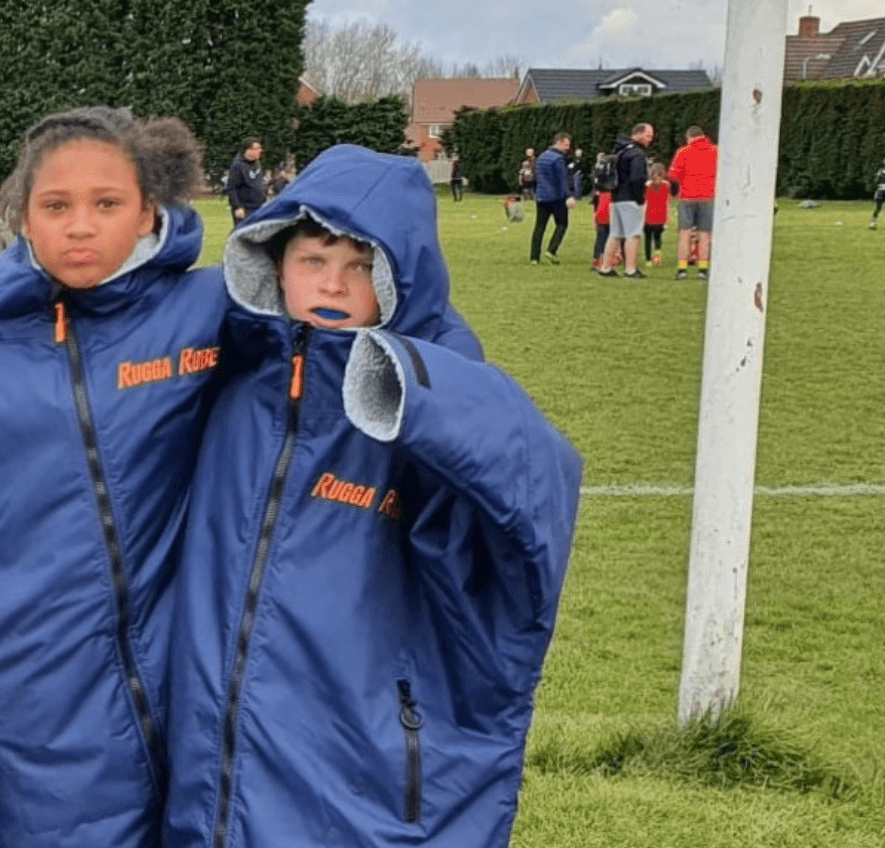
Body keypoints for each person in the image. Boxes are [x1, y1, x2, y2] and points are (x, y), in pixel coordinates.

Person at [159, 145, 578, 848]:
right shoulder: (224, 376)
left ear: (398, 278)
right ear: (273, 263)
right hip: (207, 768)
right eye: (313, 260)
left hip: (356, 766)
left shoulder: (433, 396)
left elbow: (534, 490)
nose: (334, 284)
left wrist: (421, 400)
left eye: (361, 266)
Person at [0, 107, 227, 848]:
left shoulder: (211, 314)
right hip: (18, 691)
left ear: (152, 208)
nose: (80, 226)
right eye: (57, 206)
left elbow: (350, 328)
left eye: (106, 204)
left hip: (176, 682)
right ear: (21, 215)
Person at [602, 123, 654, 278]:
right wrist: (640, 199)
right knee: (633, 234)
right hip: (631, 198)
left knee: (615, 234)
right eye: (648, 135)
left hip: (617, 196)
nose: (650, 140)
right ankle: (630, 269)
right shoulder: (637, 154)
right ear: (638, 133)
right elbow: (637, 178)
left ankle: (606, 267)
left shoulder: (621, 150)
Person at [670, 126, 716, 279]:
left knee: (685, 234)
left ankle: (682, 269)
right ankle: (703, 269)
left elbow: (674, 174)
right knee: (705, 235)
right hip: (708, 196)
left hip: (687, 196)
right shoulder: (715, 151)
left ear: (689, 137)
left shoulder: (683, 151)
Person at [530, 134, 575, 264]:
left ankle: (534, 257)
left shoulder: (541, 157)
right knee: (562, 224)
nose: (568, 148)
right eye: (566, 144)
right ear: (559, 142)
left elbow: (535, 176)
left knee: (539, 226)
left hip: (542, 196)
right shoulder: (559, 159)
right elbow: (562, 179)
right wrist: (568, 196)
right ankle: (551, 250)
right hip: (556, 197)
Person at [224, 138, 267, 220]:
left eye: (260, 149)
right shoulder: (238, 166)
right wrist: (237, 207)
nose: (260, 151)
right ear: (248, 150)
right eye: (257, 149)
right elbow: (231, 188)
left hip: (259, 206)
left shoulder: (257, 164)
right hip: (245, 209)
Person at [643, 161, 671, 265]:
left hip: (650, 217)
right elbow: (667, 203)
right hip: (658, 217)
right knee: (656, 238)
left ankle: (649, 259)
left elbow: (645, 203)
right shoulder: (666, 186)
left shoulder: (648, 186)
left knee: (649, 239)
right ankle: (656, 256)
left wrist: (641, 219)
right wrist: (667, 219)